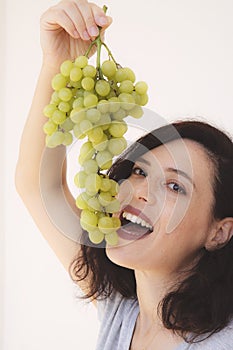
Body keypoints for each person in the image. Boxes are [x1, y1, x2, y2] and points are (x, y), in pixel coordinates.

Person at [15, 1, 233, 349]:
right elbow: (38, 185)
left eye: (175, 186)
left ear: (219, 232)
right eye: (139, 171)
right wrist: (57, 61)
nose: (138, 191)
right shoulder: (125, 310)